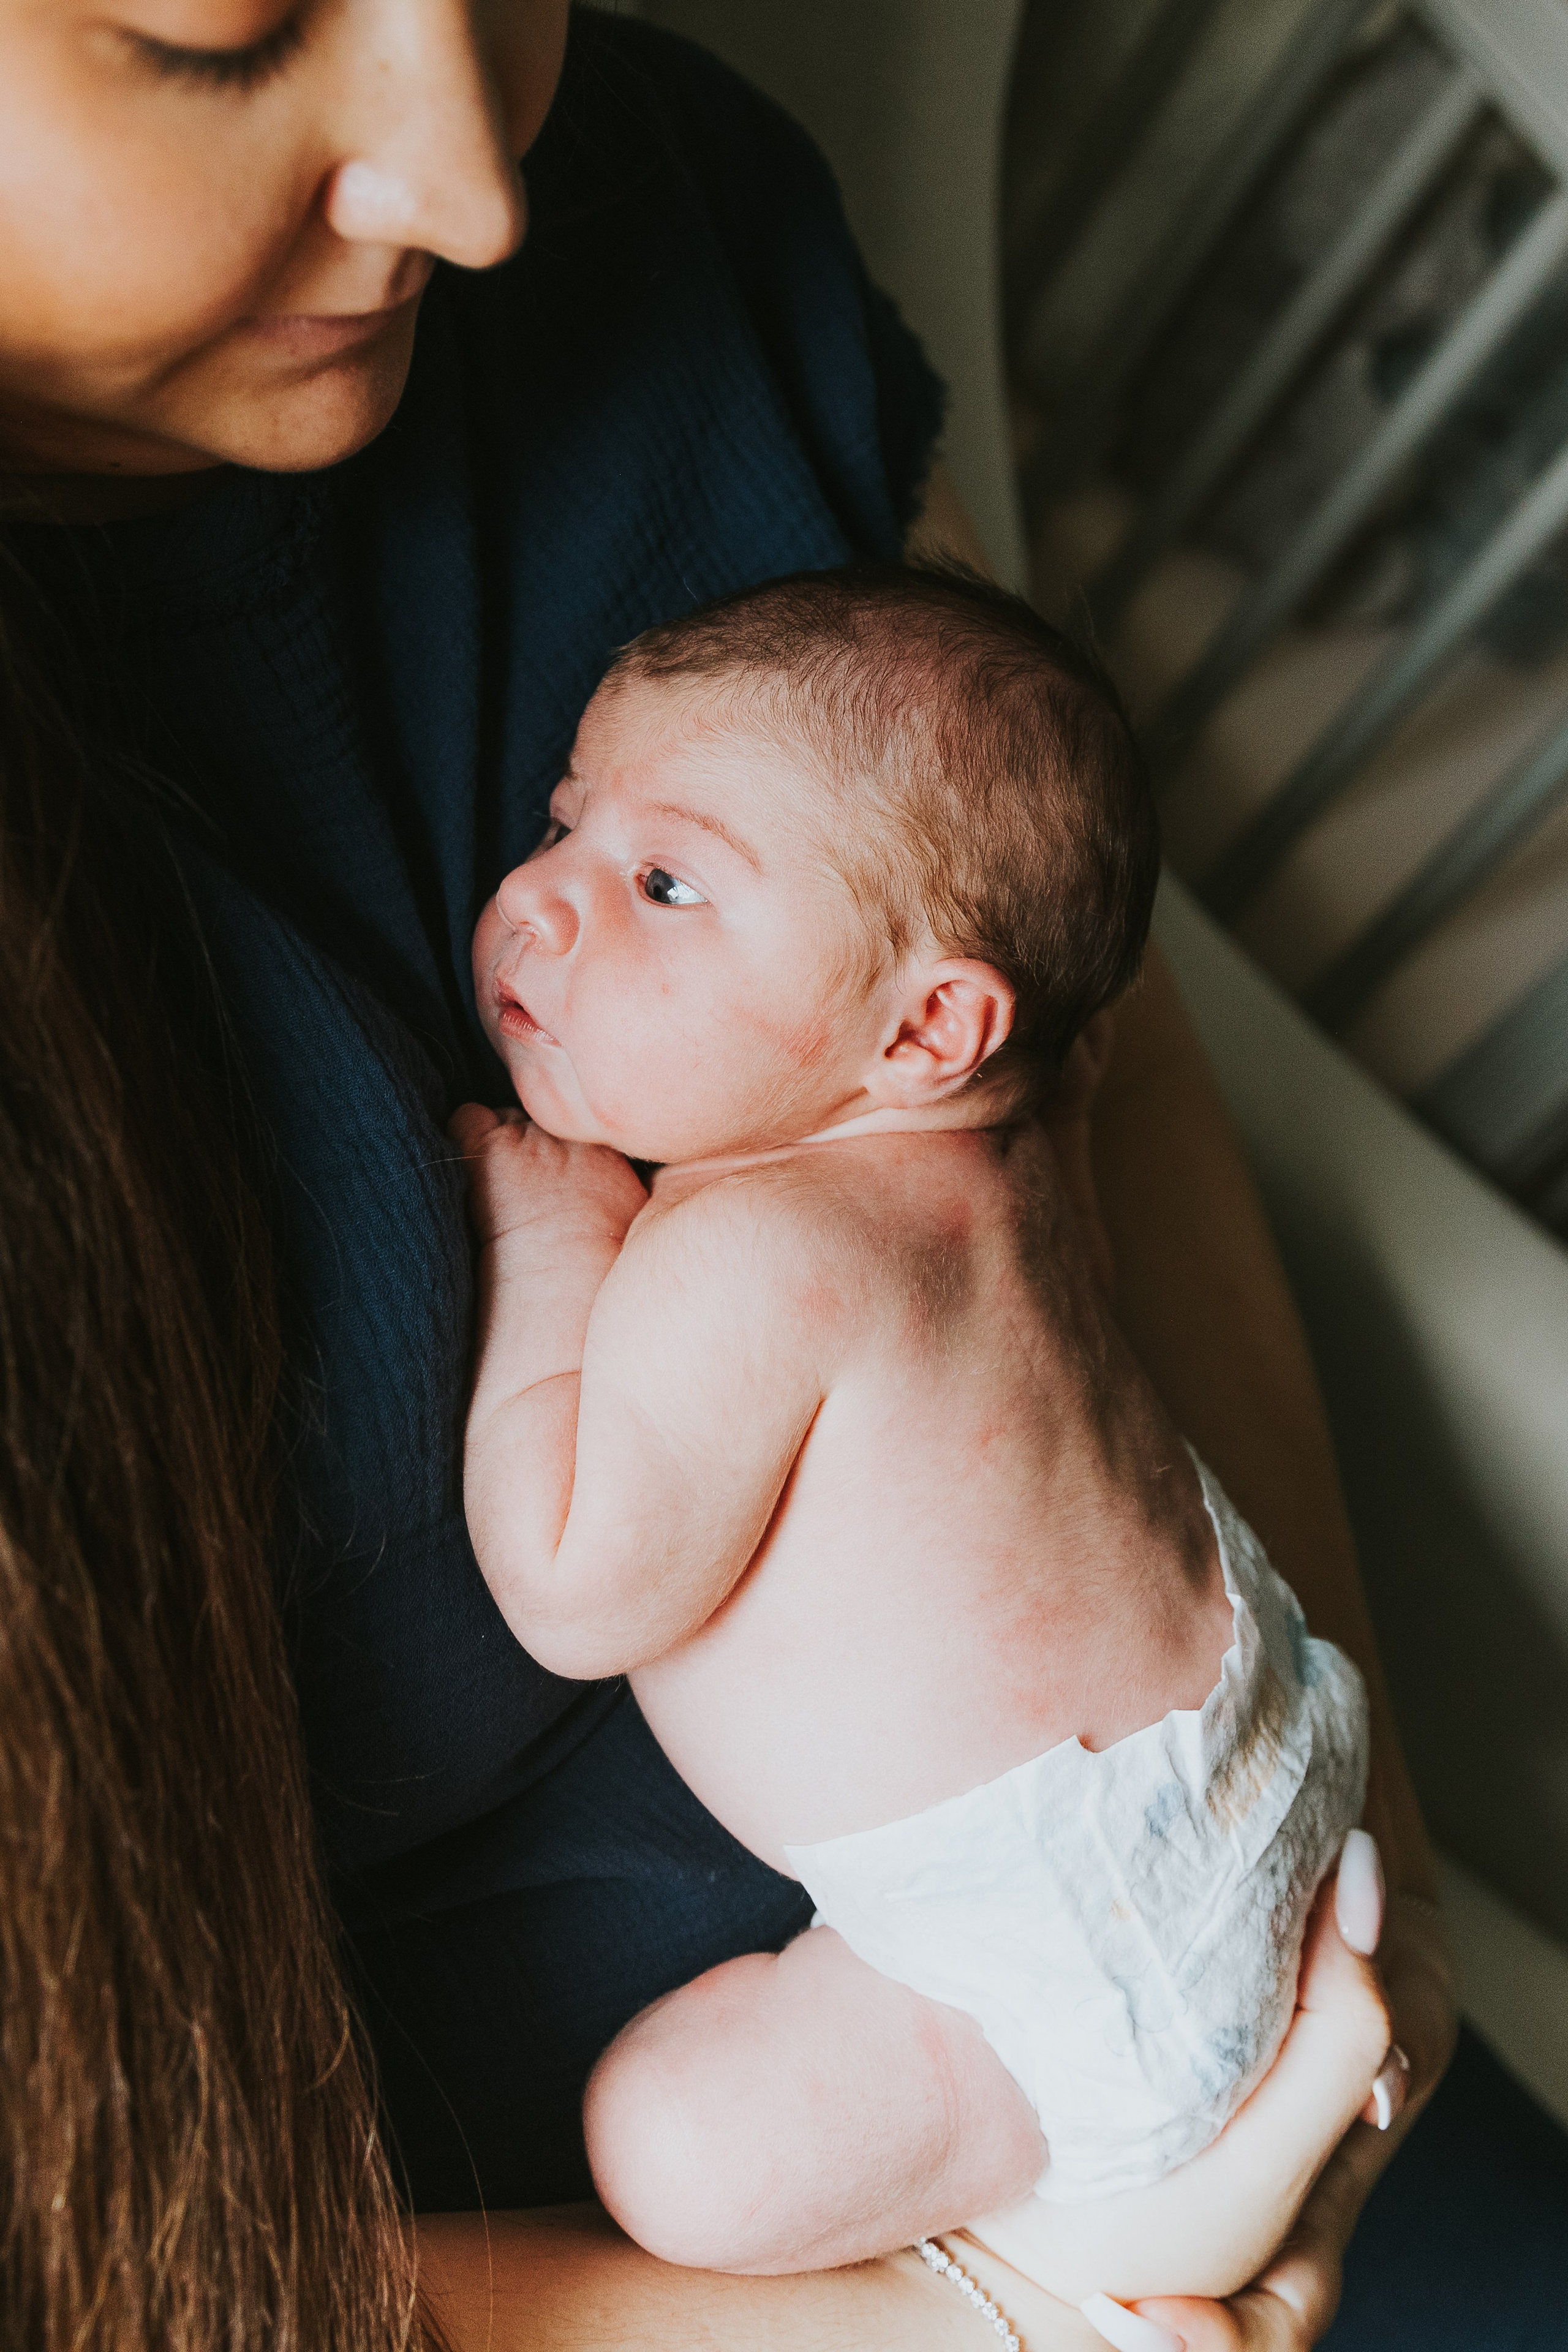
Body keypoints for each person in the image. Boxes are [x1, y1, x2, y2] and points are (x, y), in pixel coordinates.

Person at [0, 2, 1559, 2347]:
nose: (474, 187)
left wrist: (1357, 1933)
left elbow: (1094, 1072)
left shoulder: (662, 218)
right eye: (216, 35)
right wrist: (992, 2318)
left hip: (1212, 2030)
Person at [454, 560, 1374, 2305]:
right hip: (1258, 1739)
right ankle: (1295, 2081)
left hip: (1046, 1964)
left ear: (929, 1025)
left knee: (670, 2144)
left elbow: (576, 1588)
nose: (538, 903)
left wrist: (545, 1249)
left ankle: (1124, 2247)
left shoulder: (758, 1252)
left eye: (665, 884)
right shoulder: (1020, 1171)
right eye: (567, 825)